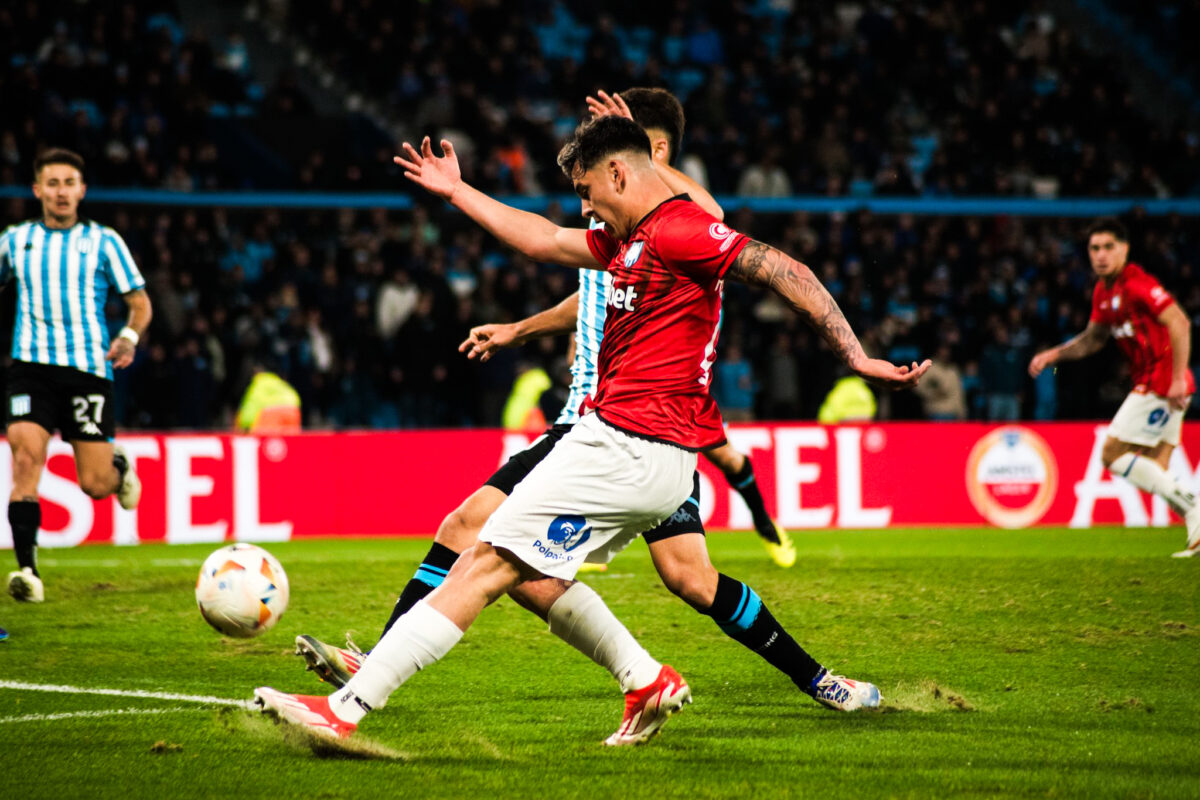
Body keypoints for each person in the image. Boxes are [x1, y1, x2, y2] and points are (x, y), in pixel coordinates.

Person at [255, 116, 928, 743]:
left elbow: (787, 270)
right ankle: (643, 681)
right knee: (513, 563)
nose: (583, 206)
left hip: (627, 445)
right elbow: (543, 239)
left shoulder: (679, 230)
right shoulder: (627, 243)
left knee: (483, 561)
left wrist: (856, 356)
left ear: (618, 174)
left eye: (586, 190)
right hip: (640, 455)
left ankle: (343, 712)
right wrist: (459, 192)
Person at [1, 148, 149, 602]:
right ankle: (27, 570)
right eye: (53, 183)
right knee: (25, 460)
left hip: (88, 372)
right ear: (37, 189)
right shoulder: (14, 241)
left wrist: (127, 337)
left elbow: (140, 303)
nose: (61, 192)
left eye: (69, 183)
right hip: (31, 370)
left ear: (81, 191)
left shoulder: (104, 242)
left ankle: (118, 467)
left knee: (95, 484)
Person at [1029, 218, 1198, 556]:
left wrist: (1178, 377)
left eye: (1108, 247)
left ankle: (1194, 506)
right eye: (1095, 248)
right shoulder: (1104, 292)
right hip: (1157, 382)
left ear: (1125, 249)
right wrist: (1054, 355)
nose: (1101, 255)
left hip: (1161, 381)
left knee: (1111, 454)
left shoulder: (1137, 284)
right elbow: (1093, 340)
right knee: (1156, 464)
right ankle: (1196, 530)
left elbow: (1178, 320)